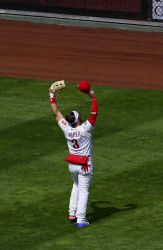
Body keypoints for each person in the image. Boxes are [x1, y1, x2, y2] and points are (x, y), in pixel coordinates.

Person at [49, 80, 98, 228]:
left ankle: (72, 212)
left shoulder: (66, 128)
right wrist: (92, 96)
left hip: (72, 164)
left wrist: (51, 95)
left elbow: (56, 113)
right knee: (83, 191)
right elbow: (94, 114)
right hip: (84, 165)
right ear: (78, 120)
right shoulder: (84, 129)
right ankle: (80, 219)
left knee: (76, 185)